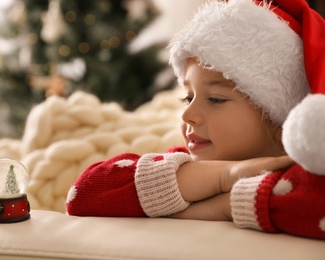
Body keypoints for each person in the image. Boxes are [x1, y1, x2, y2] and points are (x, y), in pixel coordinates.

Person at [66, 0, 325, 240]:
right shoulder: (185, 165)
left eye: (215, 99)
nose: (187, 115)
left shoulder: (303, 180)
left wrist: (226, 206)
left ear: (284, 124)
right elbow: (83, 194)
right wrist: (225, 176)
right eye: (188, 97)